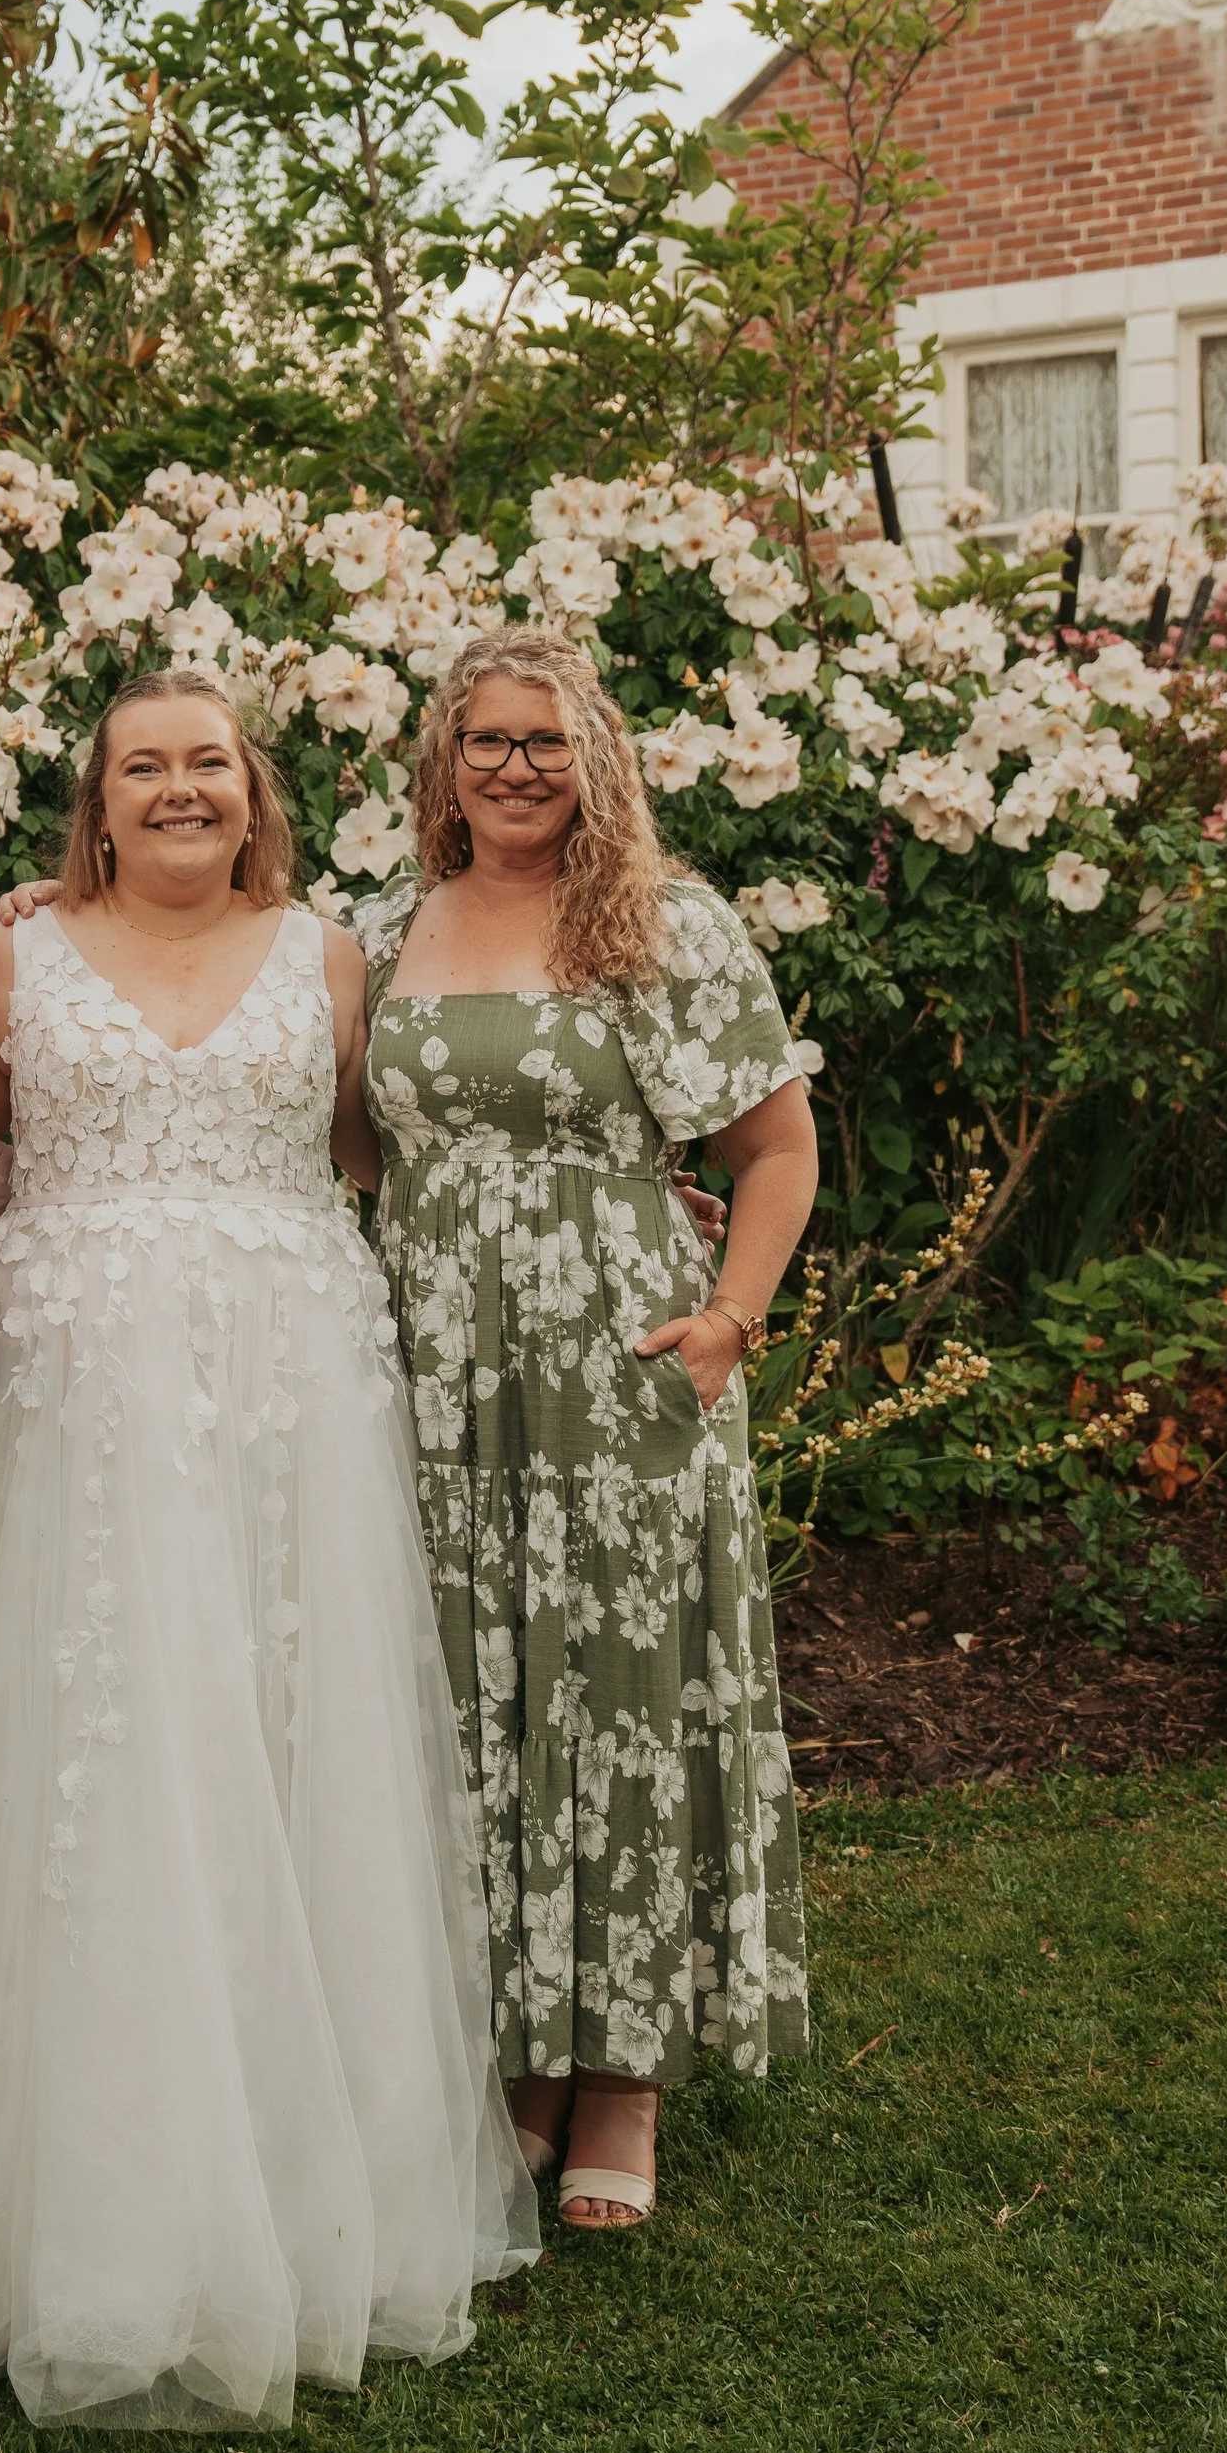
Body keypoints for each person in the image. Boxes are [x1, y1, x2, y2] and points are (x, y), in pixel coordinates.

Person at [0, 670, 536, 2429]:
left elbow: (374, 1150)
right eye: (145, 767)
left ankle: (309, 2170)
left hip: (293, 1397)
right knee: (100, 1750)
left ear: (253, 792)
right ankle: (76, 2197)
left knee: (291, 1739)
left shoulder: (332, 953)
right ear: (95, 805)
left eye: (210, 762)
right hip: (81, 1402)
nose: (181, 787)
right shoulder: (2, 958)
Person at [353, 625, 818, 2235]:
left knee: (615, 1689)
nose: (516, 769)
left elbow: (777, 1147)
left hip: (617, 1356)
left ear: (597, 754)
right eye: (486, 740)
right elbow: (347, 1137)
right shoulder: (385, 921)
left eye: (548, 742)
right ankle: (521, 2049)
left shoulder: (660, 924)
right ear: (442, 759)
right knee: (477, 1686)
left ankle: (622, 2070)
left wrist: (727, 1324)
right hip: (430, 1368)